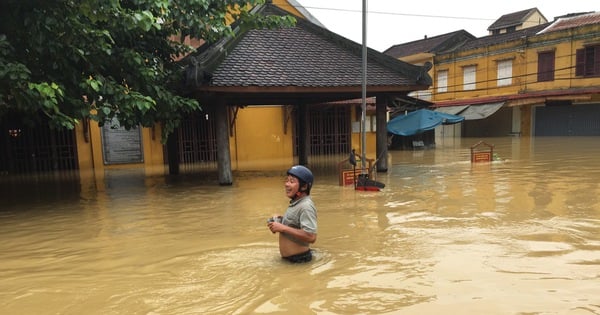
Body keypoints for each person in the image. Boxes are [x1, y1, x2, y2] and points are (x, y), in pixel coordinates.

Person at [267, 165, 318, 263]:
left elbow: (311, 237)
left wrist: (282, 228)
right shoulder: (296, 203)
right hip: (290, 261)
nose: (286, 184)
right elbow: (296, 224)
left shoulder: (306, 206)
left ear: (304, 187)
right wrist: (281, 221)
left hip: (299, 261)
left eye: (292, 181)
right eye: (286, 180)